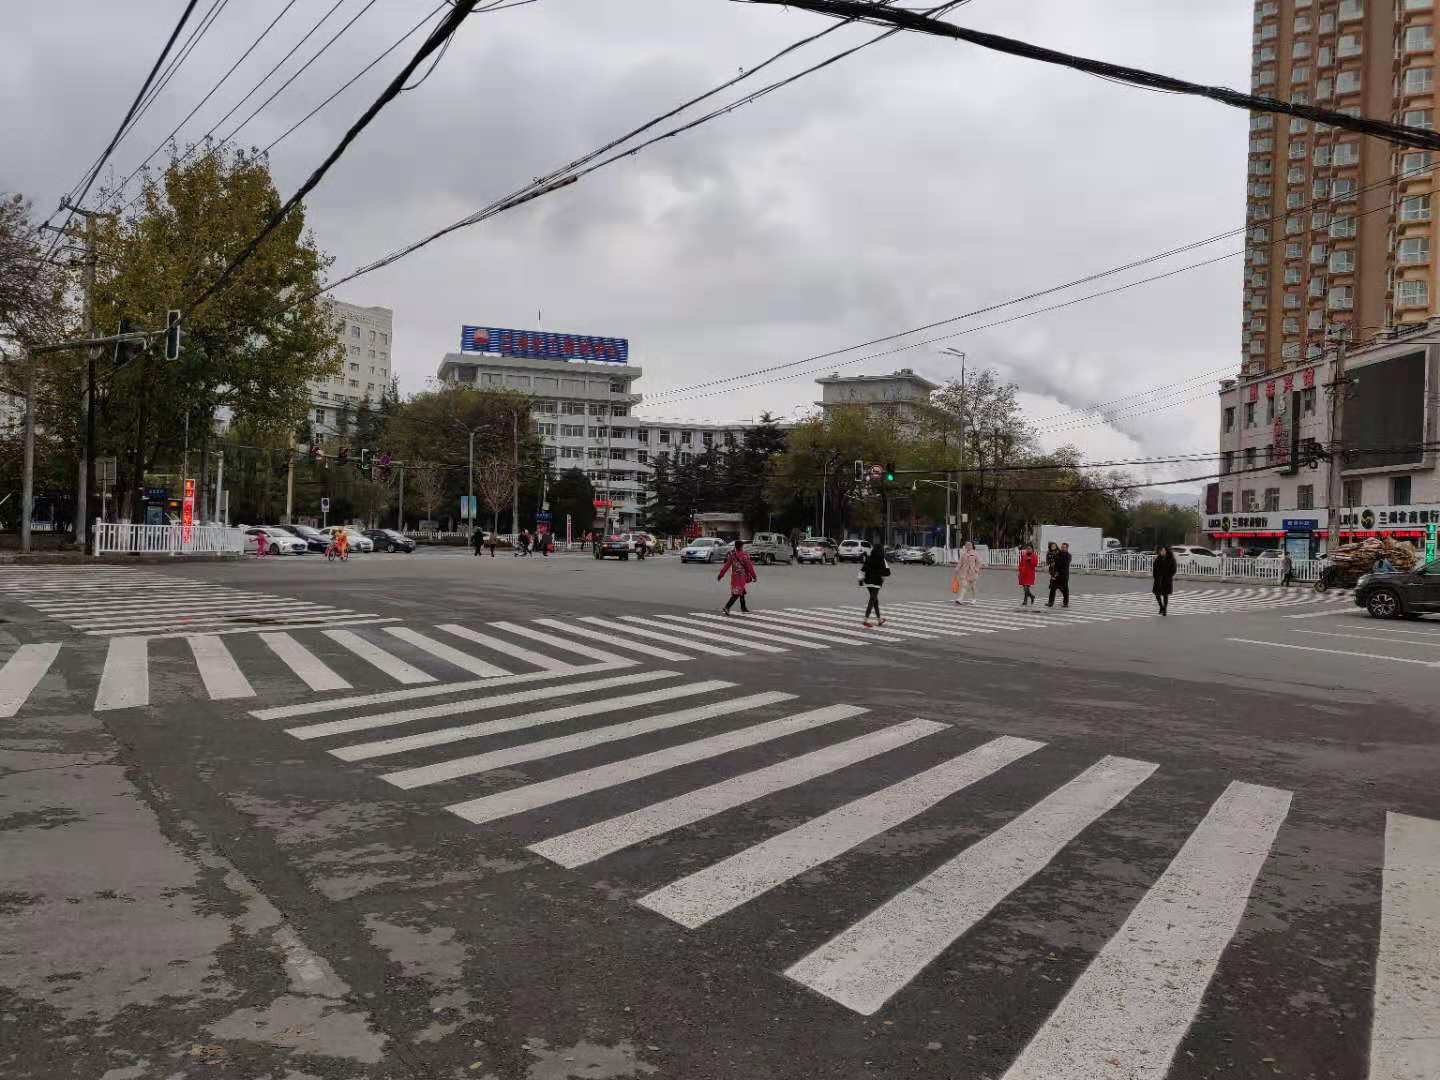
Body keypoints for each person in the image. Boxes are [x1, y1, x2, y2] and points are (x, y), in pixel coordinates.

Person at [718, 538, 757, 614]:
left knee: (741, 592)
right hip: (741, 578)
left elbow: (726, 566)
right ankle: (727, 607)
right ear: (741, 546)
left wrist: (721, 575)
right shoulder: (745, 555)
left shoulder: (732, 555)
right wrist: (754, 576)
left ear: (735, 547)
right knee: (737, 593)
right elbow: (749, 567)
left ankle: (743, 608)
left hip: (734, 577)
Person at [860, 541, 890, 627]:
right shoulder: (882, 560)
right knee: (872, 599)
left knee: (874, 600)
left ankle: (879, 620)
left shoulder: (869, 558)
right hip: (877, 582)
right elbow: (888, 572)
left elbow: (863, 569)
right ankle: (865, 620)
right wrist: (880, 573)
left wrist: (860, 580)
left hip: (868, 582)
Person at [952, 541, 982, 605]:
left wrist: (976, 569)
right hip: (964, 572)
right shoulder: (963, 553)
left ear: (972, 546)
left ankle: (974, 598)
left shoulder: (975, 553)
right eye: (967, 545)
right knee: (964, 585)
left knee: (973, 587)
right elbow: (960, 562)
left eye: (969, 545)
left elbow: (979, 562)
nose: (968, 546)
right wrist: (957, 568)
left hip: (972, 573)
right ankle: (960, 599)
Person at [1152, 545, 1177, 615]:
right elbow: (1154, 569)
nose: (1162, 552)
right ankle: (1161, 607)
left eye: (1163, 550)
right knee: (1157, 594)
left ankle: (1165, 609)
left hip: (1167, 579)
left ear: (1166, 551)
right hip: (1158, 579)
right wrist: (1155, 577)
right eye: (1161, 551)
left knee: (1165, 595)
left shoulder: (1171, 559)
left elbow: (1174, 569)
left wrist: (1169, 576)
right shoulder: (1158, 559)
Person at [1047, 541, 1072, 608]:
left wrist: (1057, 564)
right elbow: (1054, 564)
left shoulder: (1068, 555)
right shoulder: (1057, 554)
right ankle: (1050, 602)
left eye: (1064, 547)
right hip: (1056, 575)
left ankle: (1065, 603)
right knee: (1052, 588)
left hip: (1064, 575)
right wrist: (1053, 574)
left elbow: (1064, 564)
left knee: (1065, 590)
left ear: (1067, 548)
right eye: (1062, 547)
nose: (1062, 548)